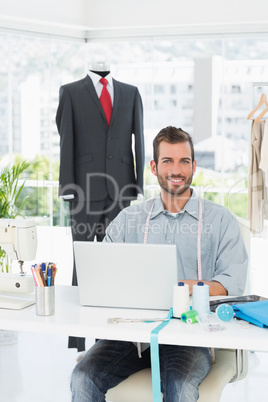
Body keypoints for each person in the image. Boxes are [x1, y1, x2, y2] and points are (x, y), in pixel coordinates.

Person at [70, 126, 248, 401]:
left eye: (183, 161)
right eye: (167, 161)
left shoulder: (220, 220)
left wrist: (183, 288)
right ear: (153, 167)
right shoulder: (130, 219)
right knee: (83, 377)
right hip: (131, 337)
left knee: (180, 386)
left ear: (194, 166)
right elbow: (102, 272)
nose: (176, 170)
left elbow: (231, 283)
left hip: (190, 339)